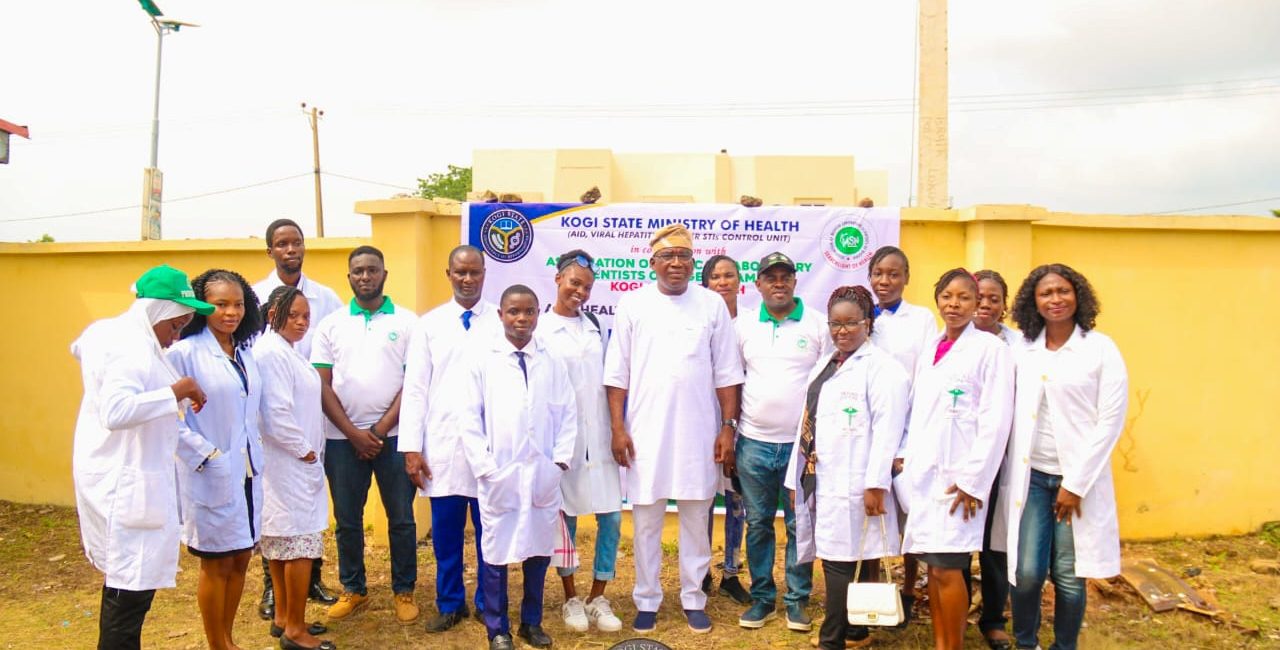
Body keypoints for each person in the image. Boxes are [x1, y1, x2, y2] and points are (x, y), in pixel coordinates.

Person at [604, 224, 744, 634]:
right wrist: (617, 428)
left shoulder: (711, 305)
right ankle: (647, 599)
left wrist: (728, 427)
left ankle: (693, 598)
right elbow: (617, 374)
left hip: (699, 433)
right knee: (646, 520)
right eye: (668, 256)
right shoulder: (632, 305)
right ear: (653, 263)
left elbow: (727, 373)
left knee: (696, 518)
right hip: (645, 432)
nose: (677, 263)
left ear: (693, 262)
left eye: (684, 256)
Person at [71, 264, 212, 650]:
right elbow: (116, 411)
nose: (176, 337)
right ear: (158, 311)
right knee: (127, 599)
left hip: (129, 481)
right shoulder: (129, 346)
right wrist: (177, 390)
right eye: (176, 326)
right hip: (126, 487)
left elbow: (79, 348)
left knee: (127, 595)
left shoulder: (113, 334)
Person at [1005, 264, 1127, 650]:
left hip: (1077, 481)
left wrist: (1075, 484)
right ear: (1033, 301)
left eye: (1063, 291)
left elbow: (1110, 421)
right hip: (1031, 478)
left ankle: (1064, 646)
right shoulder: (1023, 350)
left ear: (1078, 296)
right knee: (1027, 572)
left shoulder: (1100, 349)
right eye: (1046, 293)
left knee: (1070, 576)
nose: (1055, 299)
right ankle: (1026, 643)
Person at [787, 286, 909, 650]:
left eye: (851, 323)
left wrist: (876, 484)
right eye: (835, 324)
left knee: (841, 559)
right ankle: (856, 629)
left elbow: (888, 430)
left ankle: (832, 640)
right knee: (850, 555)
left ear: (867, 323)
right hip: (823, 476)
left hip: (856, 480)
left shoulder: (884, 369)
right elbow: (807, 421)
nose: (842, 331)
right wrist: (795, 478)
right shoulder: (828, 363)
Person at [458, 284, 578, 650]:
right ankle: (497, 629)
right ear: (501, 315)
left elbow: (567, 414)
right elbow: (469, 418)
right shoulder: (483, 358)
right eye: (513, 311)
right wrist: (486, 468)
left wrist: (559, 462)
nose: (521, 318)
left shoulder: (551, 359)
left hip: (542, 473)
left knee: (539, 551)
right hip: (500, 474)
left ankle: (531, 623)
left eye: (528, 311)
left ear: (538, 314)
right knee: (496, 554)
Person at [900, 268, 1014, 650]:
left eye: (964, 297)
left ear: (976, 303)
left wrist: (973, 481)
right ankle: (940, 643)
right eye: (947, 296)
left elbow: (996, 421)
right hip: (925, 476)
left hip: (958, 481)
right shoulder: (931, 349)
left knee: (949, 569)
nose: (954, 304)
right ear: (937, 300)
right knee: (934, 569)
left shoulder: (991, 350)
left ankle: (953, 646)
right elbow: (918, 412)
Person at [309, 246, 418, 624]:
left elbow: (413, 384)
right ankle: (354, 589)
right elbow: (322, 385)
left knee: (401, 518)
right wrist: (353, 433)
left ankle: (404, 590)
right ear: (349, 277)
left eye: (372, 270)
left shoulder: (408, 322)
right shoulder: (330, 324)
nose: (365, 276)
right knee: (348, 520)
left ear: (384, 274)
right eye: (358, 271)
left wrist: (378, 430)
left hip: (395, 437)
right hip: (342, 440)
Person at [400, 244, 500, 631]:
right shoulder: (429, 325)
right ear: (449, 275)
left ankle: (489, 602)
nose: (467, 279)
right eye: (460, 272)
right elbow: (415, 389)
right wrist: (411, 448)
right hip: (441, 445)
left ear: (484, 274)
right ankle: (450, 603)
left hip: (490, 444)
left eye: (474, 272)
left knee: (490, 531)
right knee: (445, 535)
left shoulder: (500, 320)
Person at [734, 252, 830, 632]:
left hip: (799, 447)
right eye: (770, 277)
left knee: (798, 524)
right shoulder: (743, 326)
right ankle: (762, 599)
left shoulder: (817, 324)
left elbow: (829, 383)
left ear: (794, 280)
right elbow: (731, 379)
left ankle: (796, 600)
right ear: (757, 284)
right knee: (758, 523)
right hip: (753, 442)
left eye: (785, 276)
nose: (778, 283)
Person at [168, 270, 264, 650]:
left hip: (247, 470)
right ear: (201, 307)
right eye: (220, 304)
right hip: (211, 471)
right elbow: (168, 418)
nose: (231, 312)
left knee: (241, 557)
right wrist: (206, 455)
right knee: (217, 561)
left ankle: (228, 638)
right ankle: (217, 644)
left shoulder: (244, 353)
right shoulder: (184, 353)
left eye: (238, 304)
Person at [252, 218, 343, 617]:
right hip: (290, 443)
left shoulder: (326, 297)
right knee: (288, 529)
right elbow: (273, 410)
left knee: (298, 530)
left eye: (297, 242)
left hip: (309, 421)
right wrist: (305, 451)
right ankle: (279, 599)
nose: (290, 250)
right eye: (282, 244)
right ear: (270, 250)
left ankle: (307, 588)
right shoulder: (255, 299)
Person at [543, 251, 625, 634]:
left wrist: (618, 430)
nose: (580, 291)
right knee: (567, 520)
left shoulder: (595, 325)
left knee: (611, 517)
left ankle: (598, 597)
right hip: (563, 440)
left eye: (587, 287)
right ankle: (571, 598)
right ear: (558, 279)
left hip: (600, 436)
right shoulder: (541, 329)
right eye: (574, 283)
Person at [256, 287, 337, 650]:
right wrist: (306, 452)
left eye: (306, 316)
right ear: (274, 314)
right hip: (290, 462)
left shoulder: (283, 350)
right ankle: (295, 630)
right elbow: (275, 414)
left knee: (282, 543)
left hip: (288, 464)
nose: (302, 322)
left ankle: (283, 617)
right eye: (294, 315)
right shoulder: (272, 353)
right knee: (300, 546)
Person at [866, 245, 937, 626]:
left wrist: (909, 445)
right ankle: (872, 594)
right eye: (878, 273)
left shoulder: (921, 320)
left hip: (909, 433)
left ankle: (909, 590)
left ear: (906, 278)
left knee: (911, 518)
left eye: (894, 273)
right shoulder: (863, 316)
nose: (885, 280)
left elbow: (926, 379)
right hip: (869, 432)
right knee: (870, 515)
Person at [971, 269, 1019, 650]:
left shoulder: (1019, 347)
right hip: (957, 457)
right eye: (979, 297)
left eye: (993, 299)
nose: (985, 305)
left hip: (1002, 459)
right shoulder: (949, 342)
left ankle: (993, 618)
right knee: (953, 545)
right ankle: (953, 609)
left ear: (1004, 305)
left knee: (994, 543)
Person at [698, 254, 750, 605]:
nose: (722, 282)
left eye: (729, 275)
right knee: (701, 499)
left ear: (739, 282)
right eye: (715, 277)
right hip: (702, 423)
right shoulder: (698, 320)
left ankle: (731, 572)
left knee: (736, 499)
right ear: (705, 285)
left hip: (740, 425)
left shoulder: (750, 324)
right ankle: (700, 570)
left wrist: (733, 424)